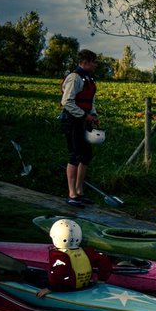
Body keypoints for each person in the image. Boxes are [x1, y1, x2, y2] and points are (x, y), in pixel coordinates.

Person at [59, 49, 100, 206]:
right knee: (75, 155)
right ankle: (72, 194)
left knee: (86, 155)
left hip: (84, 120)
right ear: (86, 61)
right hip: (72, 121)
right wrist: (84, 115)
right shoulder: (74, 78)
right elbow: (67, 102)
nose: (95, 65)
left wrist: (93, 115)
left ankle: (79, 191)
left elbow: (90, 100)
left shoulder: (88, 79)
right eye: (94, 62)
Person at [37, 218, 113, 297]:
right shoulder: (87, 252)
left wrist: (51, 288)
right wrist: (102, 279)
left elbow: (59, 273)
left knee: (36, 278)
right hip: (86, 286)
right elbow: (105, 262)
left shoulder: (59, 256)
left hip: (66, 289)